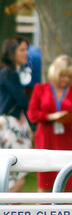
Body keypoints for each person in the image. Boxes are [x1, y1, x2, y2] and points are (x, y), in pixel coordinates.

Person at [27, 55, 72, 197]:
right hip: (46, 140)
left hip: (70, 142)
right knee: (45, 185)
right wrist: (52, 116)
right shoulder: (41, 89)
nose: (66, 80)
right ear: (54, 73)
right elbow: (32, 114)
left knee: (71, 185)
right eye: (62, 75)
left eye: (69, 76)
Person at [0, 37, 33, 194]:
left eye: (27, 49)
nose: (26, 53)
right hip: (8, 126)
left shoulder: (22, 73)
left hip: (19, 124)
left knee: (18, 179)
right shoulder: (8, 74)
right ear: (12, 53)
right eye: (22, 50)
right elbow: (22, 100)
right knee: (16, 179)